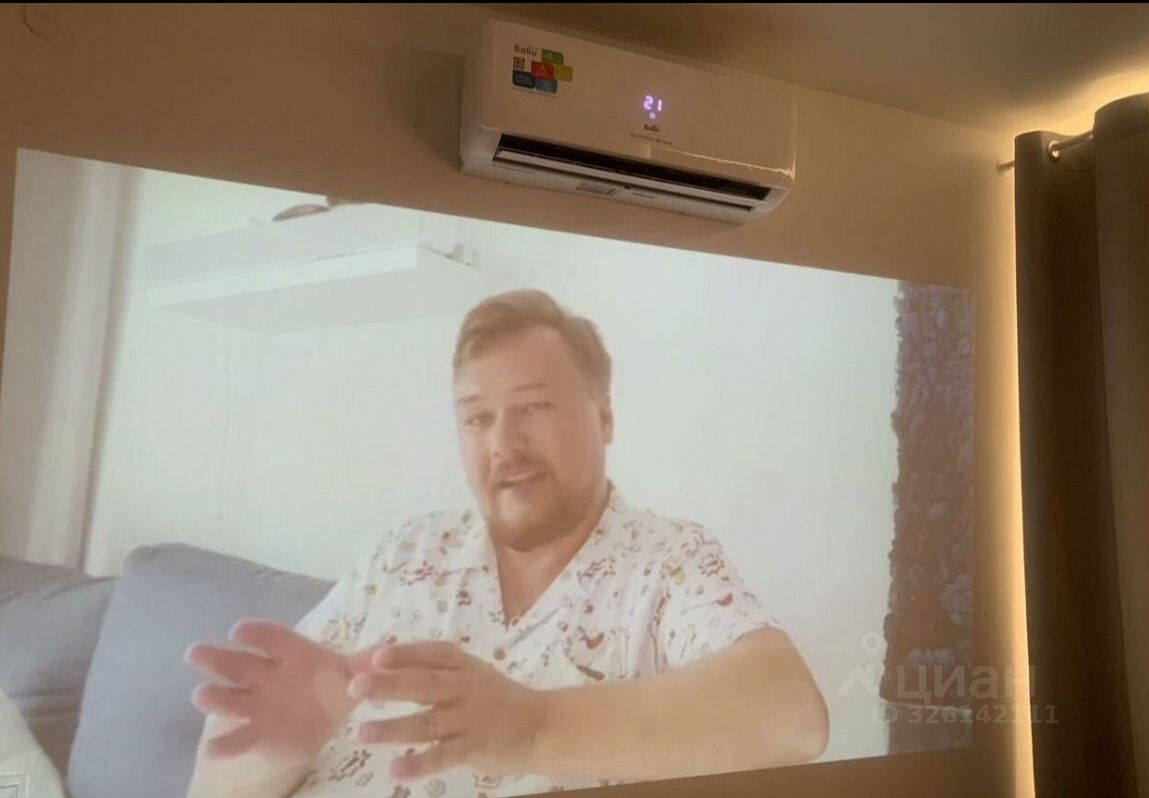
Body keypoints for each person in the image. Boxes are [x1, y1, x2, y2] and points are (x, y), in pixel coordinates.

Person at [185, 290, 828, 798]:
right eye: (477, 417)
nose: (502, 444)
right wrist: (276, 757)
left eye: (533, 408)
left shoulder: (667, 563)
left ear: (604, 417)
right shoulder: (403, 552)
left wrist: (531, 727)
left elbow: (793, 715)